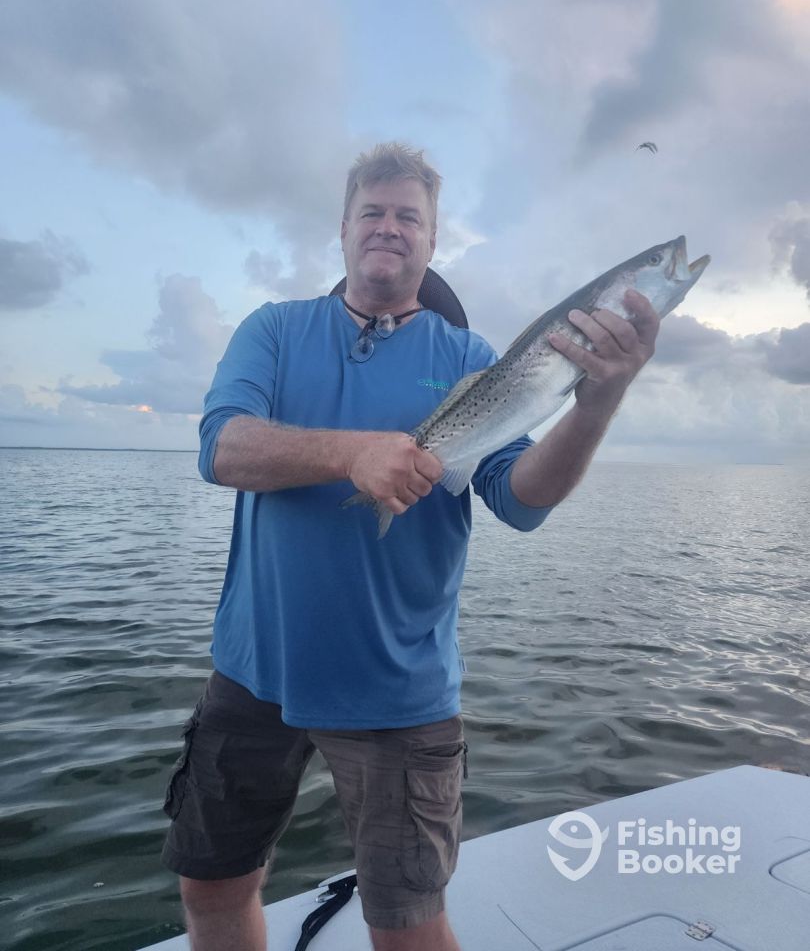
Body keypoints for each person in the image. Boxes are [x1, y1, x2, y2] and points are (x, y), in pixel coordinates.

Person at [160, 142, 660, 951]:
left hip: (398, 693)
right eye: (372, 212)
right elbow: (222, 447)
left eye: (408, 217)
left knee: (407, 921)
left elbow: (520, 501)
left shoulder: (468, 358)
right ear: (344, 229)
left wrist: (596, 404)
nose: (388, 228)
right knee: (212, 886)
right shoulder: (276, 330)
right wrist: (352, 454)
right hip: (254, 673)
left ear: (431, 240)